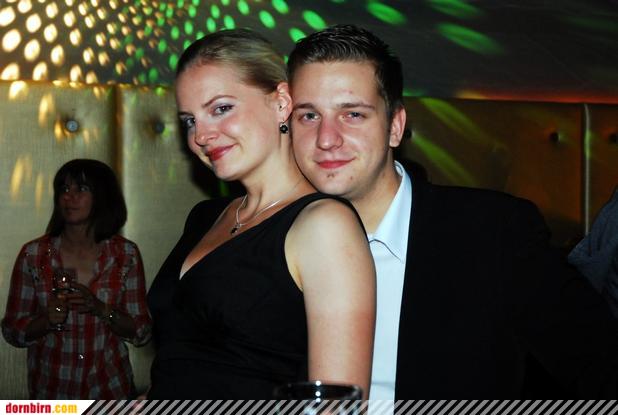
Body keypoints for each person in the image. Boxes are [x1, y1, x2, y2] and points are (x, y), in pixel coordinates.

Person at [287, 24, 618, 398]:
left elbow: (599, 366)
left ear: (395, 127)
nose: (326, 139)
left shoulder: (494, 233)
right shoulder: (273, 240)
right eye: (309, 116)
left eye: (353, 115)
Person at [146, 29, 375, 399]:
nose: (201, 135)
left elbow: (334, 405)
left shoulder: (322, 224)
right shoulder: (205, 216)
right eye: (190, 120)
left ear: (281, 103)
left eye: (220, 109)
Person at [2, 158, 152, 399]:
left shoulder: (125, 254)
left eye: (81, 189)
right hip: (53, 392)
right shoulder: (34, 254)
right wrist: (46, 320)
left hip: (109, 388)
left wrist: (101, 309)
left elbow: (141, 331)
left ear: (102, 197)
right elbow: (12, 330)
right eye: (64, 188)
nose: (68, 196)